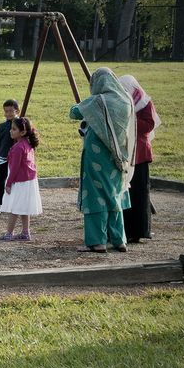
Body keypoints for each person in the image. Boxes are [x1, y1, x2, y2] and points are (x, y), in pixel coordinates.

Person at [70, 67, 136, 253]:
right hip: (118, 157)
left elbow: (74, 112)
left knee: (95, 197)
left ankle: (97, 241)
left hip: (96, 157)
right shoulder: (125, 100)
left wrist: (84, 104)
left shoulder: (98, 101)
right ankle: (118, 240)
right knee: (114, 195)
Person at [120, 75, 159, 243]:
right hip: (126, 153)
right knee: (126, 192)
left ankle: (140, 230)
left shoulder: (144, 102)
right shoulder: (121, 101)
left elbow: (148, 124)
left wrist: (130, 123)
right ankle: (125, 229)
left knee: (140, 193)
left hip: (140, 152)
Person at [0, 117, 41, 241]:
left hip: (20, 181)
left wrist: (8, 183)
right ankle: (25, 232)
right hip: (28, 180)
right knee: (24, 207)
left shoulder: (18, 148)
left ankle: (9, 233)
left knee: (14, 207)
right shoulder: (27, 144)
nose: (11, 131)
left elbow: (15, 168)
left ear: (22, 132)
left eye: (14, 129)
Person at [0, 99, 20, 215]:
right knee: (0, 181)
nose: (8, 114)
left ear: (17, 111)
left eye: (11, 111)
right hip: (3, 157)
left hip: (17, 158)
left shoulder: (21, 124)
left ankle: (14, 204)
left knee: (16, 181)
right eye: (6, 111)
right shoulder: (2, 126)